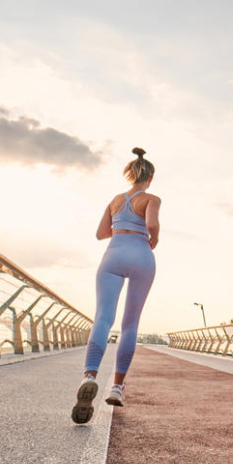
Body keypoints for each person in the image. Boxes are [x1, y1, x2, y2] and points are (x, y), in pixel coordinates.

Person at [71, 147, 159, 424]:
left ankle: (89, 375)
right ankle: (118, 387)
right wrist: (152, 237)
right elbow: (152, 225)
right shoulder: (152, 198)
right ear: (150, 177)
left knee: (103, 318)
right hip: (141, 254)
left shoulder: (115, 199)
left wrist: (120, 226)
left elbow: (100, 234)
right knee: (130, 324)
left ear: (130, 174)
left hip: (114, 252)